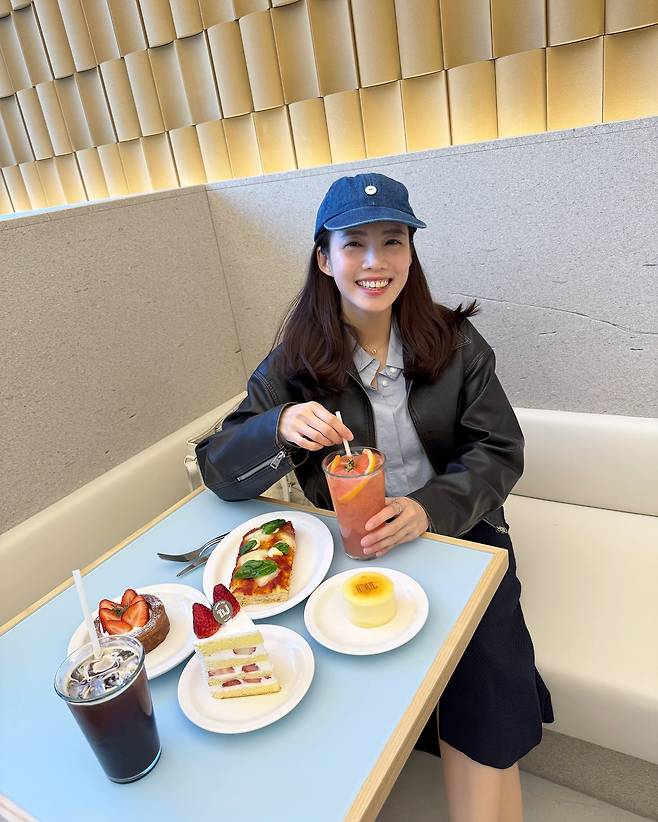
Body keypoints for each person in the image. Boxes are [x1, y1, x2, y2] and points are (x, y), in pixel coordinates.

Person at [196, 173, 553, 822]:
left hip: (461, 532)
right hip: (352, 546)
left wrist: (430, 508)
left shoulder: (455, 343)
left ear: (410, 255)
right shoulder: (293, 364)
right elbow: (218, 471)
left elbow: (499, 451)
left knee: (483, 667)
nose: (374, 261)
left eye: (392, 241)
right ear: (323, 259)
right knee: (323, 676)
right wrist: (276, 424)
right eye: (353, 243)